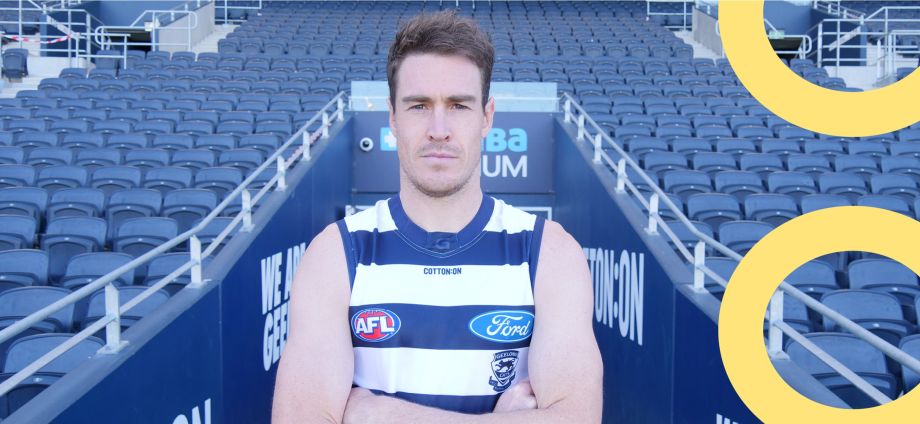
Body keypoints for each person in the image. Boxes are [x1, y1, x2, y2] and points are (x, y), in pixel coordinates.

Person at [272, 10, 602, 423]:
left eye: (459, 105)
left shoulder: (549, 253)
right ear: (392, 118)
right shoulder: (336, 254)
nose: (439, 129)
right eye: (419, 106)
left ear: (487, 117)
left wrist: (379, 414)